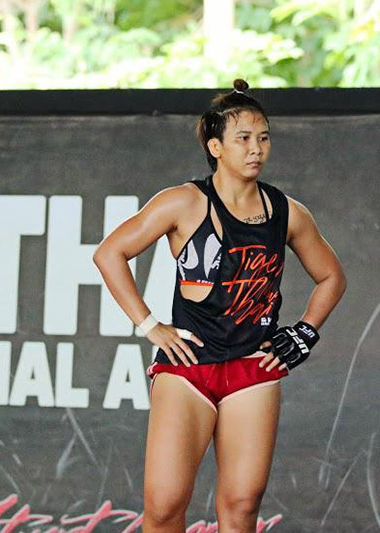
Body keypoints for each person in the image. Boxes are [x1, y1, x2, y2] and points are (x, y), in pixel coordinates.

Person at [94, 79, 346, 532]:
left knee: (243, 505)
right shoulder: (183, 201)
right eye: (243, 139)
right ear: (216, 147)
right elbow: (109, 253)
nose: (256, 149)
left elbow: (332, 277)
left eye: (263, 138)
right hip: (188, 367)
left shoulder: (288, 212)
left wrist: (306, 331)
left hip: (253, 368)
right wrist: (150, 324)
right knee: (165, 505)